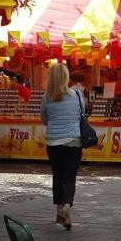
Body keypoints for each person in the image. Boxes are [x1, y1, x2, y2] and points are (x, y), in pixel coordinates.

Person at [40, 63, 83, 230]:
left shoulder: (46, 98)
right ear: (66, 77)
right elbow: (81, 116)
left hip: (53, 142)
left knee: (57, 176)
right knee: (70, 177)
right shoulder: (77, 95)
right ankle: (66, 205)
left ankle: (59, 211)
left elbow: (44, 119)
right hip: (73, 141)